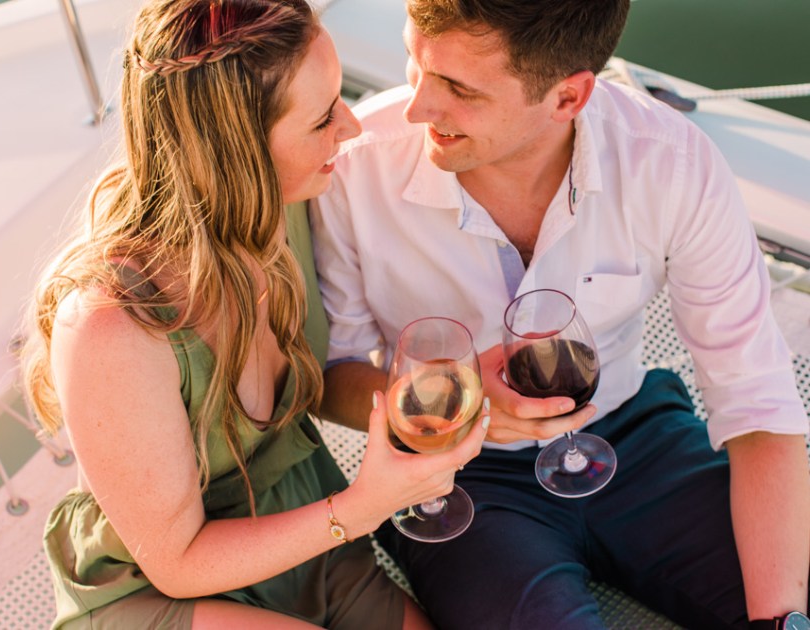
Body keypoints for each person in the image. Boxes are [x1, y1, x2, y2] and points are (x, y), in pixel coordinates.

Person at [309, 0, 810, 627]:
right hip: (456, 483)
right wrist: (454, 402)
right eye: (415, 62)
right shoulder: (354, 169)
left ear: (568, 98)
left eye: (459, 89)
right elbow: (332, 378)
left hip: (637, 435)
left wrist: (782, 623)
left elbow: (759, 406)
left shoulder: (673, 164)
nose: (416, 109)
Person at [20, 0, 489, 627]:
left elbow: (324, 381)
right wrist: (364, 505)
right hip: (167, 584)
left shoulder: (285, 208)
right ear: (235, 154)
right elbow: (177, 562)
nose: (349, 128)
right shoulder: (109, 326)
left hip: (292, 524)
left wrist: (435, 388)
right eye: (323, 118)